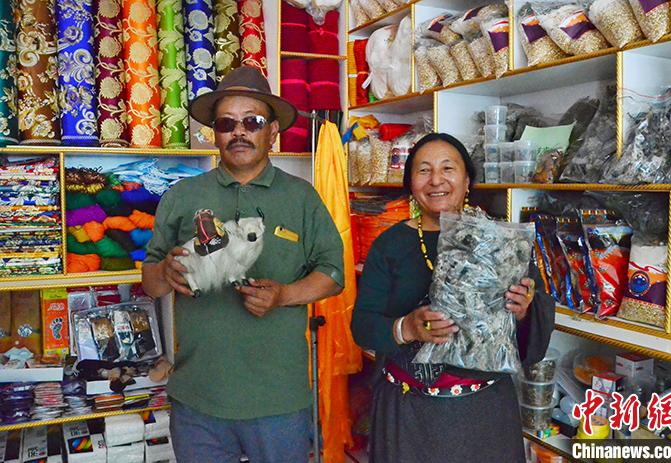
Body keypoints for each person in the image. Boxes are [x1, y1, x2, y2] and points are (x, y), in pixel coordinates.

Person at [142, 66, 345, 463]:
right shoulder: (182, 196)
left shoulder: (301, 197)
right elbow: (151, 283)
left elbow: (333, 274)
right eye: (226, 123)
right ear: (214, 133)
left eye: (252, 122)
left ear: (273, 131)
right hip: (198, 399)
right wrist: (165, 271)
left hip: (278, 401)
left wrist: (284, 295)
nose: (239, 132)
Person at [351, 133, 555, 462]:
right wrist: (407, 328)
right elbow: (362, 325)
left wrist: (523, 311)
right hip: (408, 413)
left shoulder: (501, 241)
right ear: (410, 184)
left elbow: (533, 327)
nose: (436, 180)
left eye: (448, 168)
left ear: (467, 180)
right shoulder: (389, 244)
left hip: (482, 415)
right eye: (423, 170)